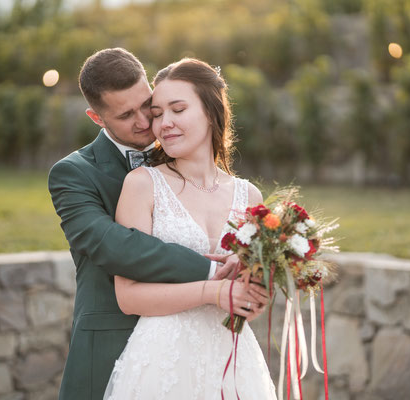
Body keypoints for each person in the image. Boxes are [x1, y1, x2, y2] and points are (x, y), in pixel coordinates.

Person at [48, 48, 267, 399]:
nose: (147, 122)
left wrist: (255, 287)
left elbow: (251, 291)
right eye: (126, 115)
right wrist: (214, 278)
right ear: (97, 117)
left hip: (221, 353)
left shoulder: (235, 187)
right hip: (124, 344)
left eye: (147, 106)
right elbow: (114, 245)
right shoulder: (75, 174)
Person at [103, 58, 277, 399]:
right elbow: (128, 296)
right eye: (157, 114)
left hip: (233, 359)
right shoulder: (143, 185)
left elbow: (255, 294)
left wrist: (254, 299)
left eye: (177, 110)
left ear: (211, 113)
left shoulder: (250, 196)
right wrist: (212, 293)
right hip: (164, 360)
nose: (163, 123)